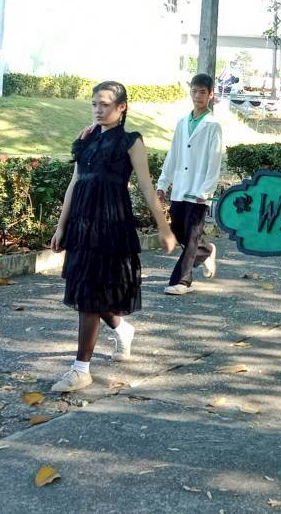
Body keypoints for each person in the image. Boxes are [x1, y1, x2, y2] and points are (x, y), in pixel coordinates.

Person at [49, 81, 178, 393]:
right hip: (82, 223)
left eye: (105, 104)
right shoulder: (86, 139)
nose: (98, 109)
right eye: (95, 103)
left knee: (92, 294)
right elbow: (75, 183)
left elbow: (146, 186)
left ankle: (81, 369)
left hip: (111, 224)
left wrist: (164, 228)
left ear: (122, 107)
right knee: (89, 289)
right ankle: (122, 330)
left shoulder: (131, 141)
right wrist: (61, 225)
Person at [156, 73, 226, 296]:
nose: (198, 96)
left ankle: (182, 280)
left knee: (193, 235)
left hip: (199, 190)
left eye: (202, 92)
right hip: (180, 187)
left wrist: (206, 190)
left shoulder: (213, 125)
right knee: (178, 230)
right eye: (194, 91)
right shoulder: (182, 122)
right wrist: (163, 183)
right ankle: (206, 250)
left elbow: (214, 160)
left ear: (211, 94)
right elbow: (173, 154)